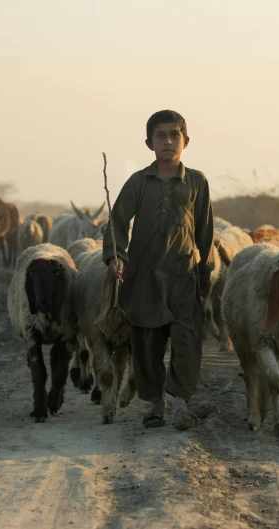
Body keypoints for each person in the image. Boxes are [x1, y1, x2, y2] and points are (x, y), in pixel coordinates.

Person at [102, 110, 215, 431]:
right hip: (143, 277)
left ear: (186, 140)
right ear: (149, 142)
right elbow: (118, 222)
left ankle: (180, 403)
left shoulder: (196, 181)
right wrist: (114, 259)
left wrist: (205, 272)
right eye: (160, 136)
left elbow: (205, 231)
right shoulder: (139, 181)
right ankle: (155, 405)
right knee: (147, 342)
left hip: (183, 276)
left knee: (186, 340)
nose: (168, 141)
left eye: (174, 135)